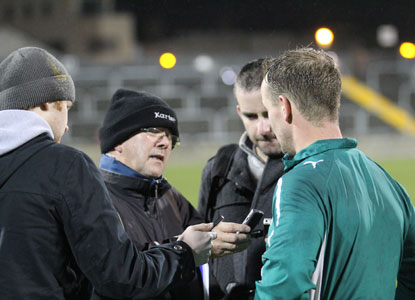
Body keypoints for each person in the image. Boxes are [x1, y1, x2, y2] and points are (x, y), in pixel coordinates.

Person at [0, 47, 215, 299]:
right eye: (66, 107)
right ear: (48, 102)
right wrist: (184, 252)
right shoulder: (66, 166)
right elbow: (121, 277)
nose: (67, 124)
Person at [255, 47, 415, 299]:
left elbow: (282, 288)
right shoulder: (382, 177)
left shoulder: (299, 182)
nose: (268, 125)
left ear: (284, 107)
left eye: (268, 110)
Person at [97, 88, 252, 299]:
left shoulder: (169, 196)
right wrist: (185, 248)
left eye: (170, 137)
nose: (165, 142)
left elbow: (204, 271)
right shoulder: (95, 197)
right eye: (153, 130)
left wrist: (219, 238)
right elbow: (120, 273)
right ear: (118, 141)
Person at [198, 58, 284, 299]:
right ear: (239, 112)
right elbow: (198, 248)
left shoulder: (311, 168)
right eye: (251, 116)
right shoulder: (218, 168)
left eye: (267, 114)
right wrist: (209, 242)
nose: (263, 128)